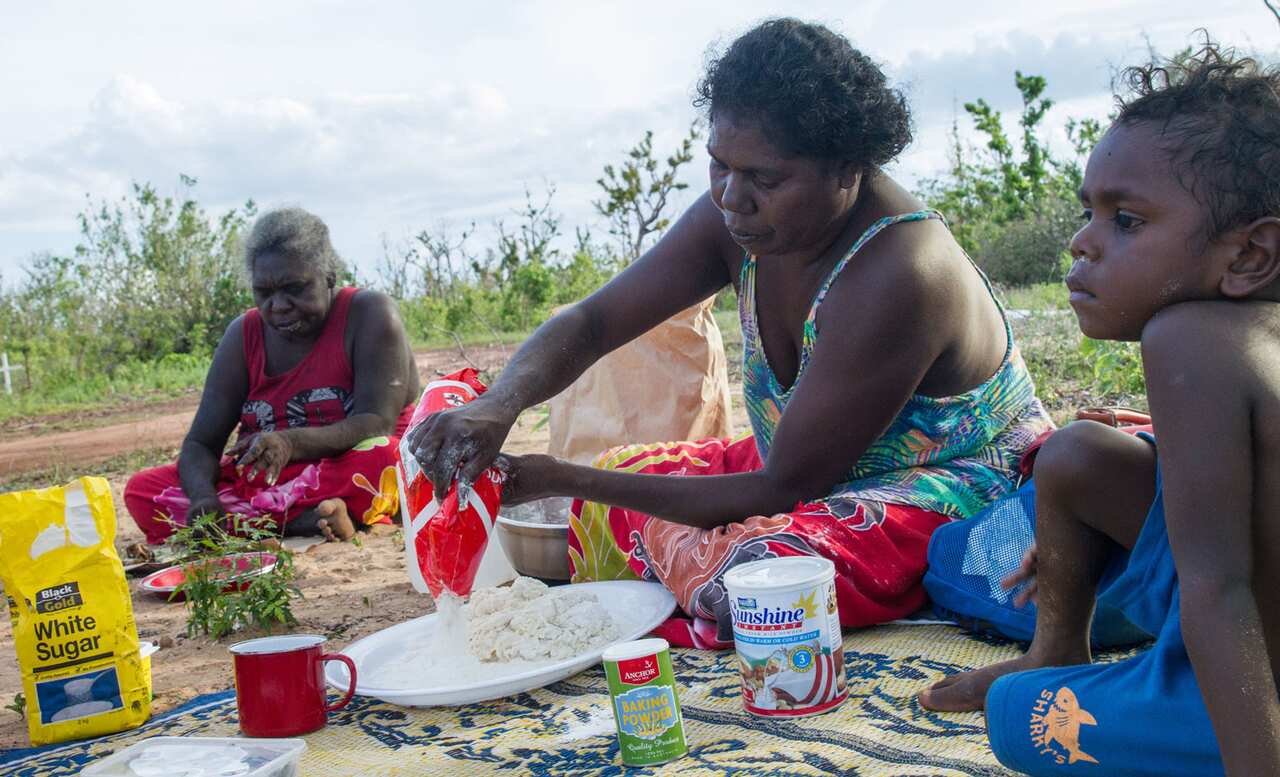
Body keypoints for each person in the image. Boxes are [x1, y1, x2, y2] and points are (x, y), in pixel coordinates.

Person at [409, 19, 1053, 648]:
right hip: (805, 467)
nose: (731, 197)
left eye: (765, 179)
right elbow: (596, 319)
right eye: (720, 166)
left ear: (847, 169)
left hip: (949, 482)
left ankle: (698, 599)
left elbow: (784, 491)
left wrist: (562, 477)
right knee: (617, 477)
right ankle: (681, 592)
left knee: (760, 570)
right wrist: (499, 403)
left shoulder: (900, 274)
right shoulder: (739, 220)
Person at [917, 43, 1280, 776]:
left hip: (1261, 690)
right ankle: (1055, 646)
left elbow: (1220, 588)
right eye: (1091, 211)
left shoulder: (1185, 340)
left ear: (1248, 256)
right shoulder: (1248, 329)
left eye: (1127, 220)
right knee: (1077, 453)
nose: (1083, 241)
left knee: (1019, 719)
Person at [124, 208, 420, 544]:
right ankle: (309, 520)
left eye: (294, 288)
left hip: (347, 464)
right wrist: (204, 498)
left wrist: (290, 442)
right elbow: (201, 443)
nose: (278, 305)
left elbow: (376, 422)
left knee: (385, 456)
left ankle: (263, 522)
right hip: (266, 479)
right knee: (142, 492)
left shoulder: (368, 314)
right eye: (264, 293)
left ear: (328, 277)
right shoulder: (243, 335)